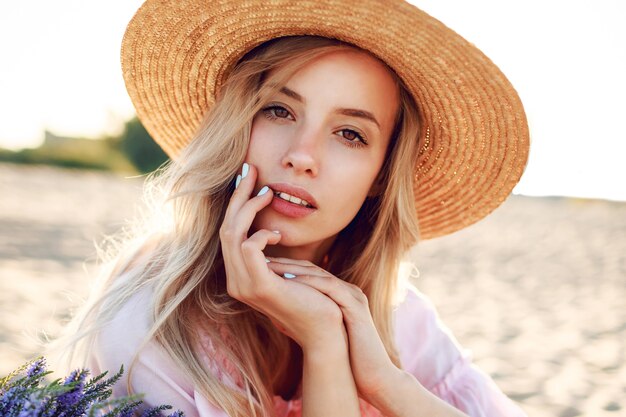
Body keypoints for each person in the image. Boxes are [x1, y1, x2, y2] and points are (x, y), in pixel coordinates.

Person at [49, 1, 530, 416]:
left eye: (350, 133)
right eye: (279, 110)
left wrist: (386, 383)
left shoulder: (396, 316)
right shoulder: (152, 317)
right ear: (238, 123)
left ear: (380, 177)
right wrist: (322, 341)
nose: (302, 154)